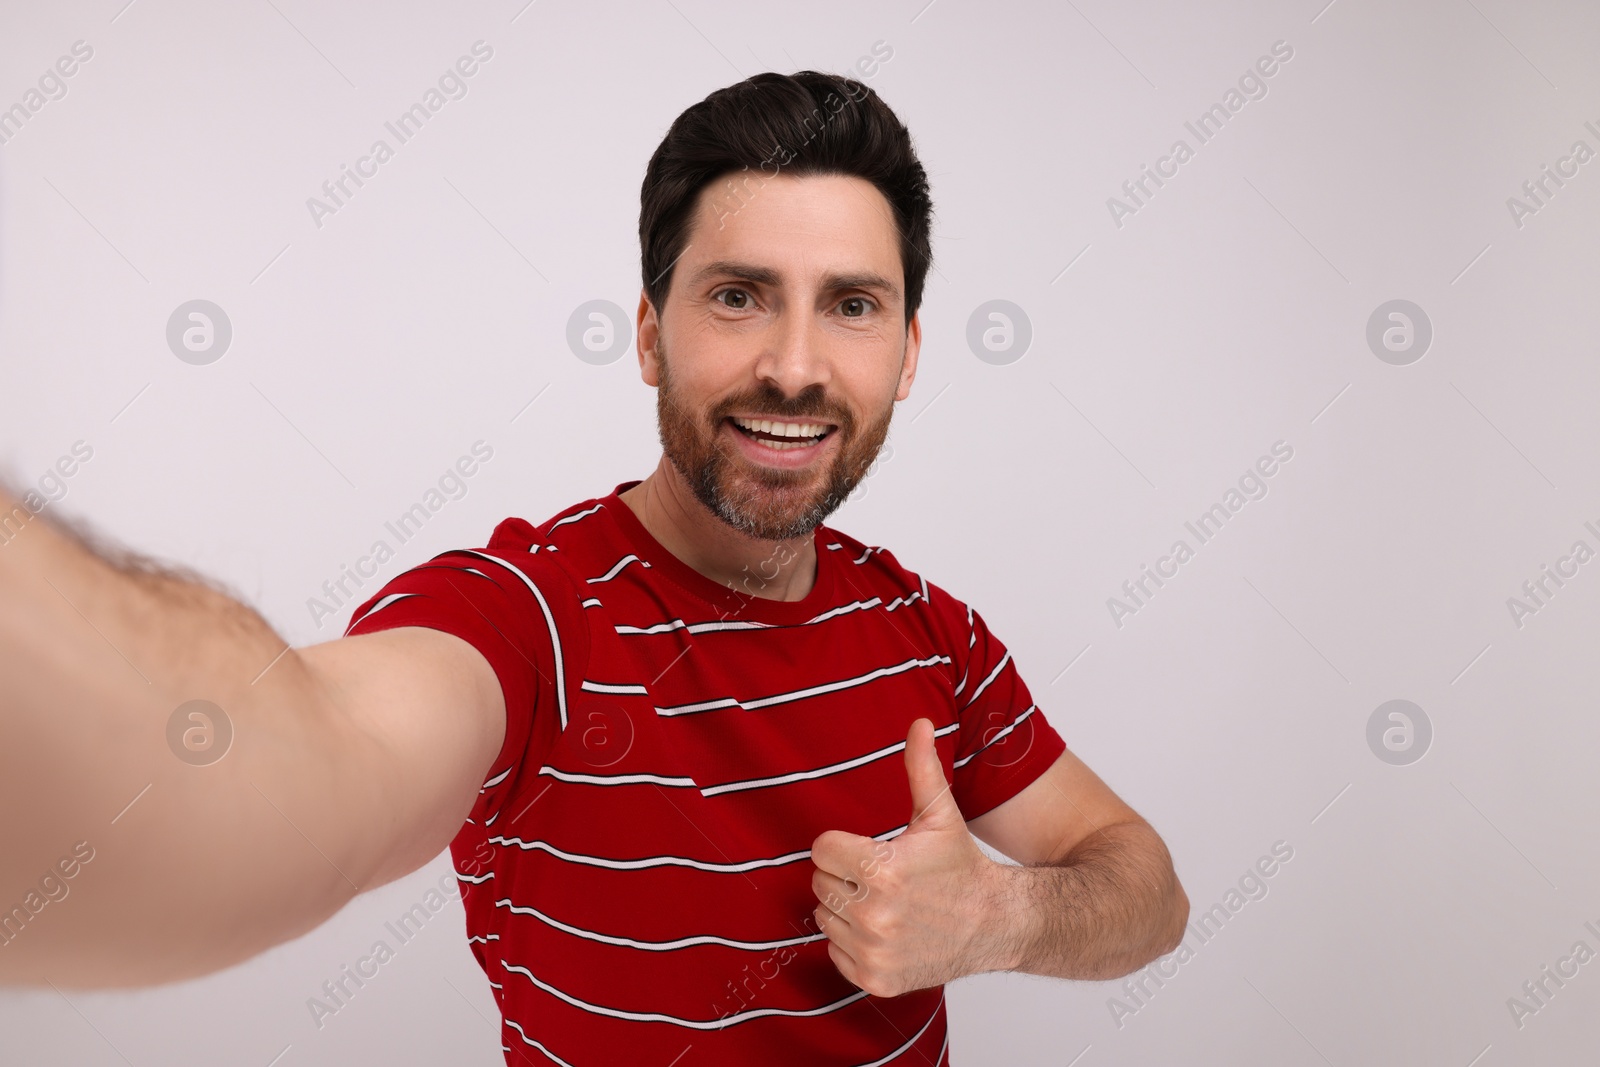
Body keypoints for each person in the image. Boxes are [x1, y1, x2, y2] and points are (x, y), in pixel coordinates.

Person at [0, 70, 1187, 1064]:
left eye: (852, 306)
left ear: (909, 352)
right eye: (737, 295)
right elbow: (294, 776)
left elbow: (1146, 887)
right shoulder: (527, 615)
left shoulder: (931, 632)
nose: (793, 364)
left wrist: (1000, 913)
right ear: (650, 331)